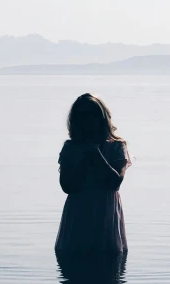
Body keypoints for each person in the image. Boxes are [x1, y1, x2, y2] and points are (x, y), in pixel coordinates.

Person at [54, 93, 131, 254]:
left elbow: (115, 182)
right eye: (82, 115)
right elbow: (67, 186)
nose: (87, 120)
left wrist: (95, 155)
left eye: (92, 114)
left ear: (101, 116)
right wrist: (84, 159)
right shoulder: (70, 148)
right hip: (78, 212)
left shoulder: (117, 147)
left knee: (107, 265)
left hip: (105, 213)